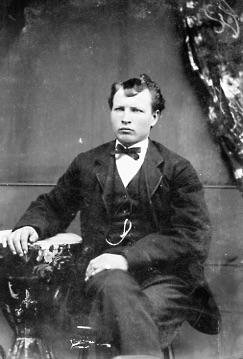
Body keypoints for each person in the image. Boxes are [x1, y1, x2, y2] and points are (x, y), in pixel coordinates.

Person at [2, 74, 220, 358]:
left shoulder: (178, 169)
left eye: (137, 110)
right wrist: (31, 226)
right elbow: (54, 205)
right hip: (101, 278)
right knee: (119, 291)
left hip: (164, 281)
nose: (126, 118)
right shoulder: (87, 163)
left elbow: (192, 237)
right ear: (111, 113)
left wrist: (126, 258)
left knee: (130, 315)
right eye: (120, 109)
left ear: (154, 117)